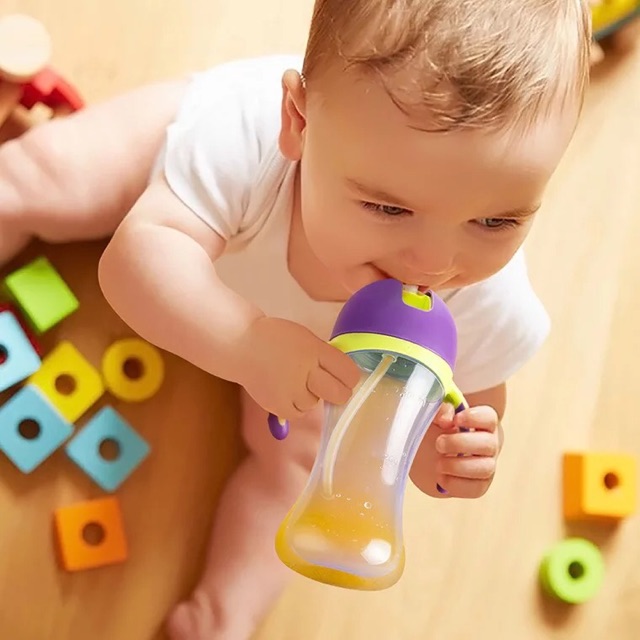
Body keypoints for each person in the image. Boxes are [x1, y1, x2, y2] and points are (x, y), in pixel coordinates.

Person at [0, 1, 591, 638]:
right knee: (35, 178)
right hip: (187, 203)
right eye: (387, 209)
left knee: (302, 473)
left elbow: (443, 416)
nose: (436, 264)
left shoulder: (486, 296)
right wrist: (244, 343)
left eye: (497, 221)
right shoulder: (242, 138)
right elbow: (134, 266)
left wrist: (451, 459)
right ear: (298, 121)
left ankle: (221, 617)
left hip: (309, 370)